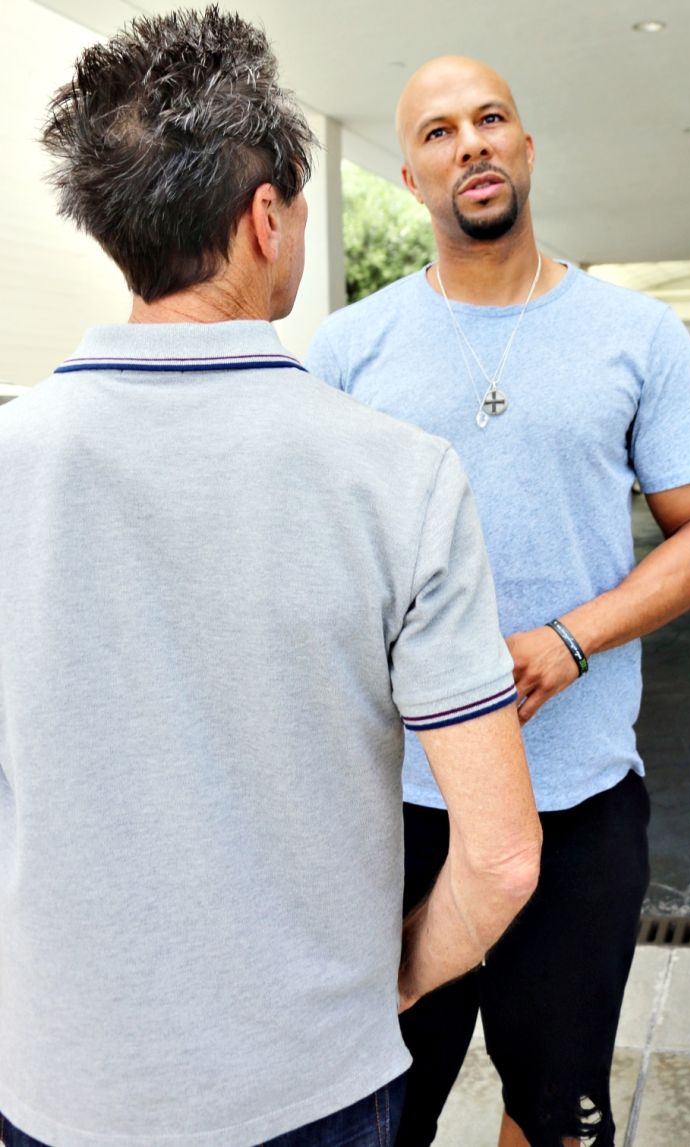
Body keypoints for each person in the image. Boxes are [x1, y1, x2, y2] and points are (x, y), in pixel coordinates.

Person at [0, 23, 543, 1147]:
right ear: (265, 220)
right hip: (309, 1079)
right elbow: (497, 856)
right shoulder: (400, 476)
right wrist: (388, 984)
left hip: (54, 1080)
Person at [306, 54, 690, 1147]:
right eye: (440, 132)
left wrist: (567, 640)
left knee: (555, 1112)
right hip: (396, 806)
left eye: (490, 119)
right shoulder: (350, 349)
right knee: (376, 1109)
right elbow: (311, 564)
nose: (472, 144)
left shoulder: (636, 335)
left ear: (526, 146)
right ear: (408, 177)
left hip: (580, 801)